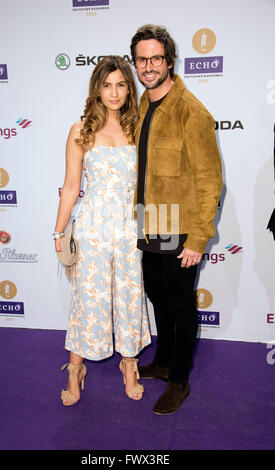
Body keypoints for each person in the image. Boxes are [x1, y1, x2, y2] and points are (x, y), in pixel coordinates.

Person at [130, 25, 223, 415]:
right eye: (141, 59)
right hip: (148, 219)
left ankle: (179, 379)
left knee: (181, 304)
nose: (148, 67)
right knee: (158, 297)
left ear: (169, 61)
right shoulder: (142, 104)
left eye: (155, 59)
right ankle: (164, 360)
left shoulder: (192, 111)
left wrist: (198, 239)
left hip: (179, 224)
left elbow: (210, 180)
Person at [53, 55, 151, 406]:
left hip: (129, 230)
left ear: (129, 88)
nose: (114, 92)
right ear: (97, 88)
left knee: (128, 298)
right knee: (88, 301)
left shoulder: (138, 127)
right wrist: (58, 231)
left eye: (121, 84)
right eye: (107, 85)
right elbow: (70, 186)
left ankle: (130, 365)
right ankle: (74, 369)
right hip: (93, 228)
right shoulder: (81, 130)